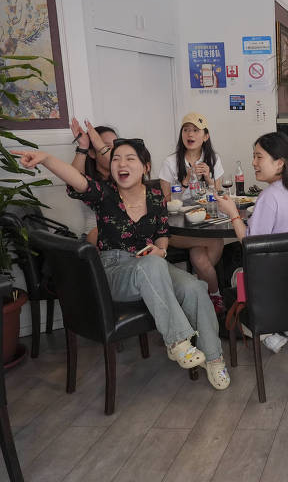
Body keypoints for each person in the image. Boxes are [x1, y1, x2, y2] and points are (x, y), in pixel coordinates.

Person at [13, 140, 230, 390]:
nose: (121, 164)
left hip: (152, 265)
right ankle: (177, 341)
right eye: (116, 158)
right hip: (114, 270)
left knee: (194, 287)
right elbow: (77, 179)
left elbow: (162, 232)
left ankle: (214, 358)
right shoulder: (104, 194)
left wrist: (160, 250)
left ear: (145, 166)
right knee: (151, 266)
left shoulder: (155, 195)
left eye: (129, 158)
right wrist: (46, 158)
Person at [218, 132, 288, 354]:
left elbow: (249, 242)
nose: (253, 163)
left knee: (228, 267)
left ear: (279, 163)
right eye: (253, 157)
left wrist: (233, 213)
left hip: (273, 284)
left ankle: (263, 332)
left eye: (259, 157)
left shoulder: (270, 196)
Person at [158, 112, 225, 313]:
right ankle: (215, 295)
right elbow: (165, 202)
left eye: (196, 130)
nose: (190, 134)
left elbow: (220, 196)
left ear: (205, 136)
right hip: (177, 229)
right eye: (186, 130)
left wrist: (210, 180)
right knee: (215, 240)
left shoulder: (213, 159)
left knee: (199, 258)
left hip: (203, 222)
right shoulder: (170, 162)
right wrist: (185, 181)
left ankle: (200, 293)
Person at [70, 119, 118, 243]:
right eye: (106, 147)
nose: (113, 152)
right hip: (95, 242)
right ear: (92, 153)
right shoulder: (91, 185)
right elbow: (74, 179)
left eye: (116, 146)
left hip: (127, 241)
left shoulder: (126, 177)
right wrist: (83, 146)